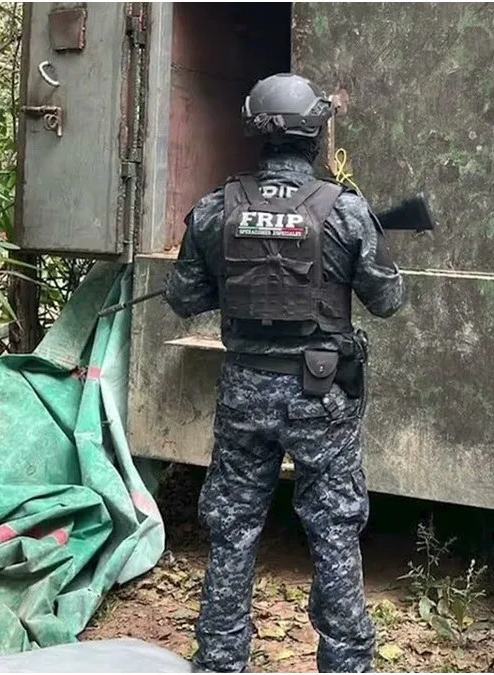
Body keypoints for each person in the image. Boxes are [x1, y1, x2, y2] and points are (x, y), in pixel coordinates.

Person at [163, 73, 407, 673]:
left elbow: (183, 298)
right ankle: (347, 664)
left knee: (232, 527)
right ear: (316, 133)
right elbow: (388, 301)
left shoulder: (217, 210)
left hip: (244, 395)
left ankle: (220, 662)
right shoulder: (346, 211)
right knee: (333, 530)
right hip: (321, 397)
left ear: (255, 131)